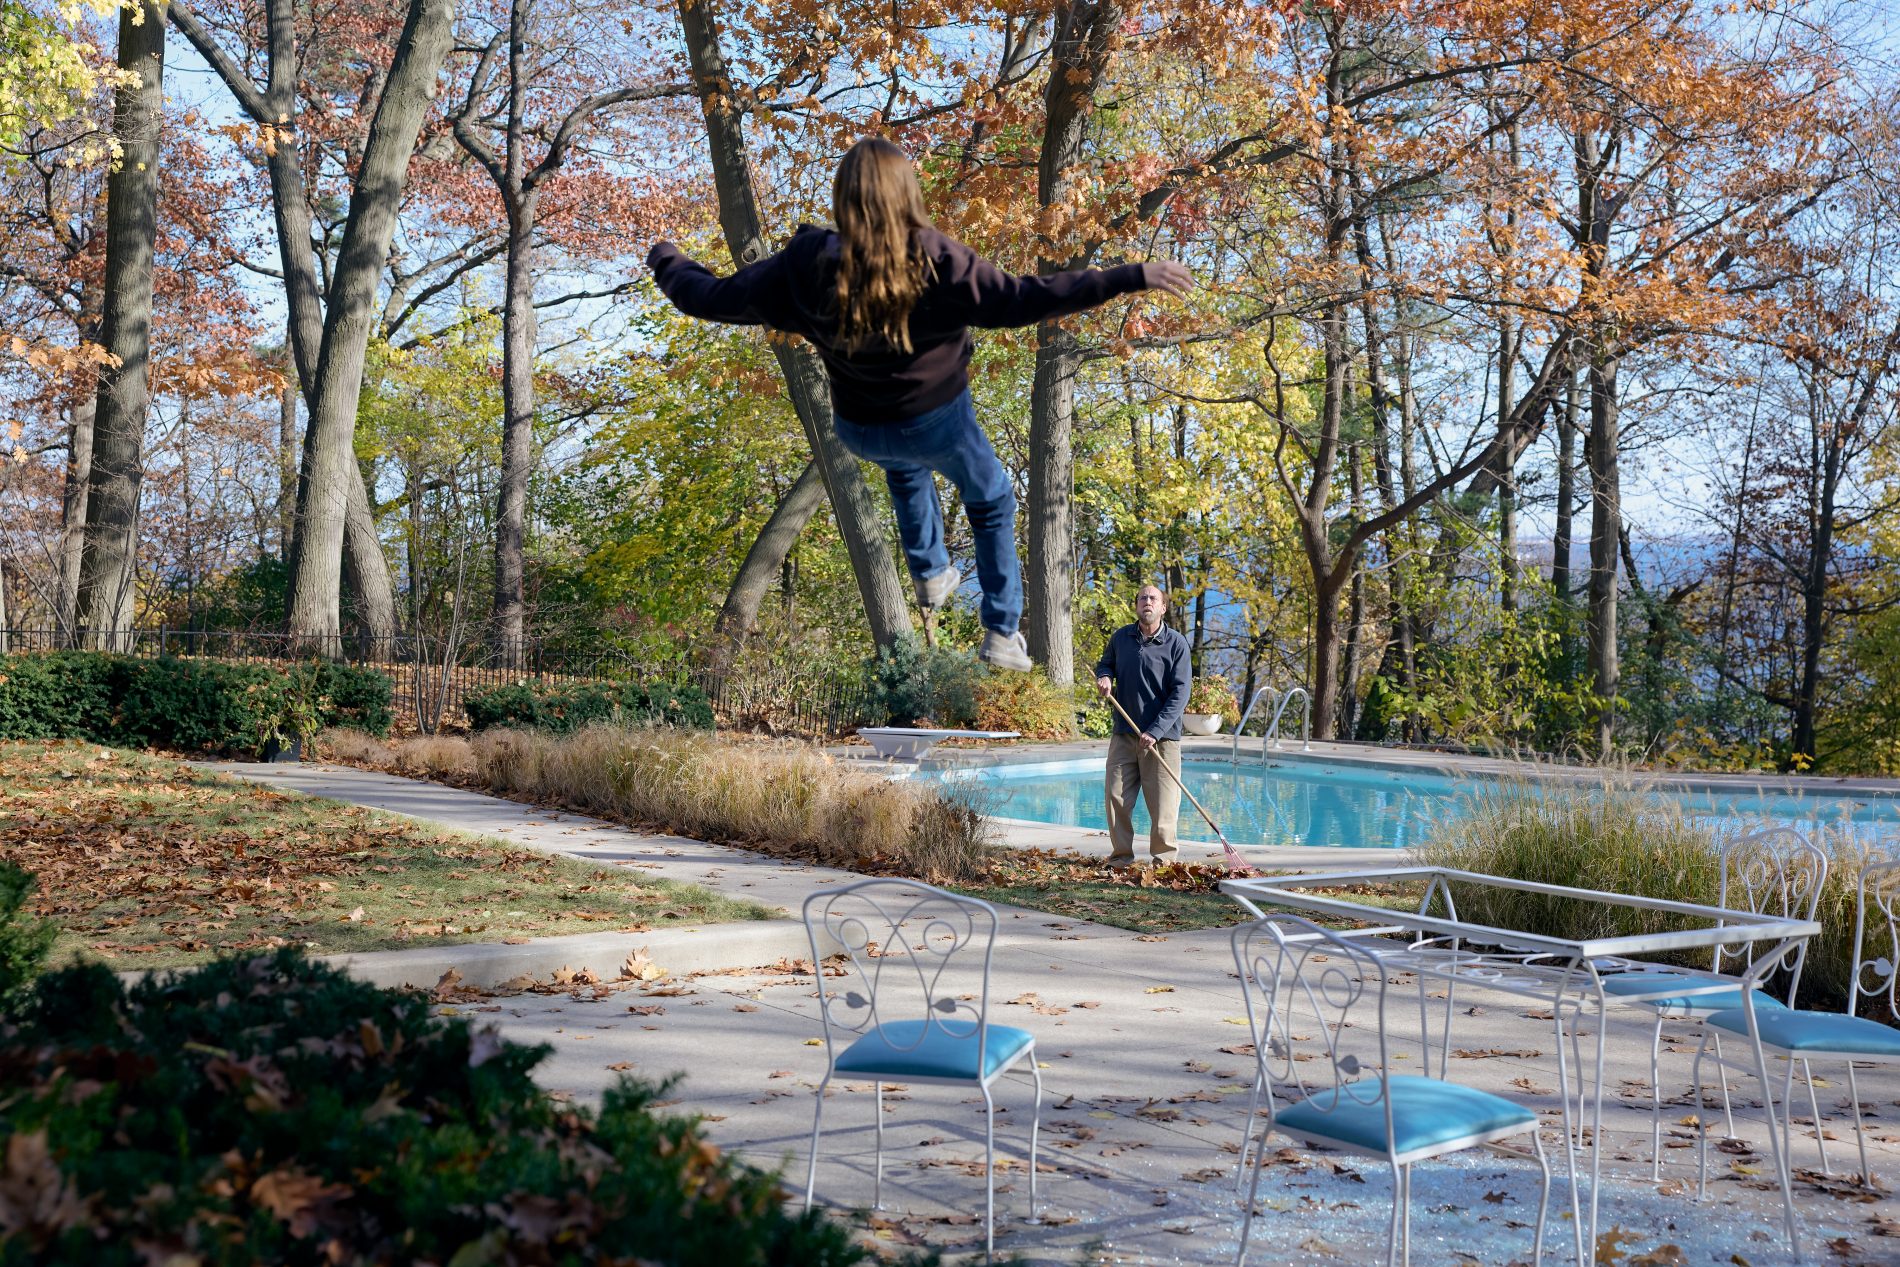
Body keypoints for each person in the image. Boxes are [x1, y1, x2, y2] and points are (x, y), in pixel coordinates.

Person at [647, 137, 1193, 671]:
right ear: (907, 194)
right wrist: (1129, 275)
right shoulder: (934, 258)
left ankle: (931, 572)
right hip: (937, 422)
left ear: (844, 198)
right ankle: (1002, 631)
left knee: (904, 470)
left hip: (860, 427)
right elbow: (1024, 298)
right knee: (992, 499)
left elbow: (711, 298)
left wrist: (668, 258)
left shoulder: (806, 263)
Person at [1094, 584, 1191, 866]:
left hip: (1163, 739)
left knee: (1163, 807)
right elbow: (1106, 663)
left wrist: (1155, 730)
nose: (1147, 602)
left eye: (1153, 598)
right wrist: (1105, 676)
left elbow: (1180, 694)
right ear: (1136, 605)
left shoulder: (1176, 644)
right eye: (1142, 598)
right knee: (1116, 799)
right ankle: (1121, 859)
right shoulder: (1121, 637)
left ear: (1163, 608)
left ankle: (1164, 863)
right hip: (1124, 734)